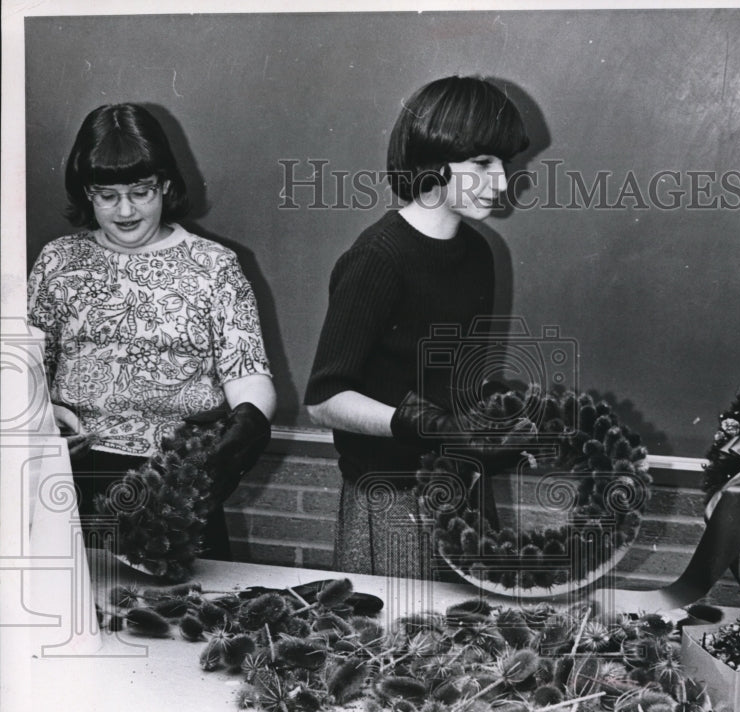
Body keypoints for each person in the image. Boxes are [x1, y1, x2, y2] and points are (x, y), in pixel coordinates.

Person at [27, 103, 276, 561]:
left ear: (164, 184)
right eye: (107, 196)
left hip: (176, 485)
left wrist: (245, 430)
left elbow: (249, 374)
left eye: (141, 192)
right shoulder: (57, 262)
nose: (125, 210)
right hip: (72, 484)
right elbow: (27, 374)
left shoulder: (214, 266)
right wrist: (45, 415)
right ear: (87, 194)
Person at [305, 76, 530, 579]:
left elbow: (459, 380)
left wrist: (506, 417)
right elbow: (323, 400)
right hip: (394, 502)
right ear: (434, 159)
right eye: (482, 163)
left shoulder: (479, 253)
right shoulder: (377, 258)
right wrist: (430, 425)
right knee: (402, 647)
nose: (500, 181)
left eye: (504, 165)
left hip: (463, 491)